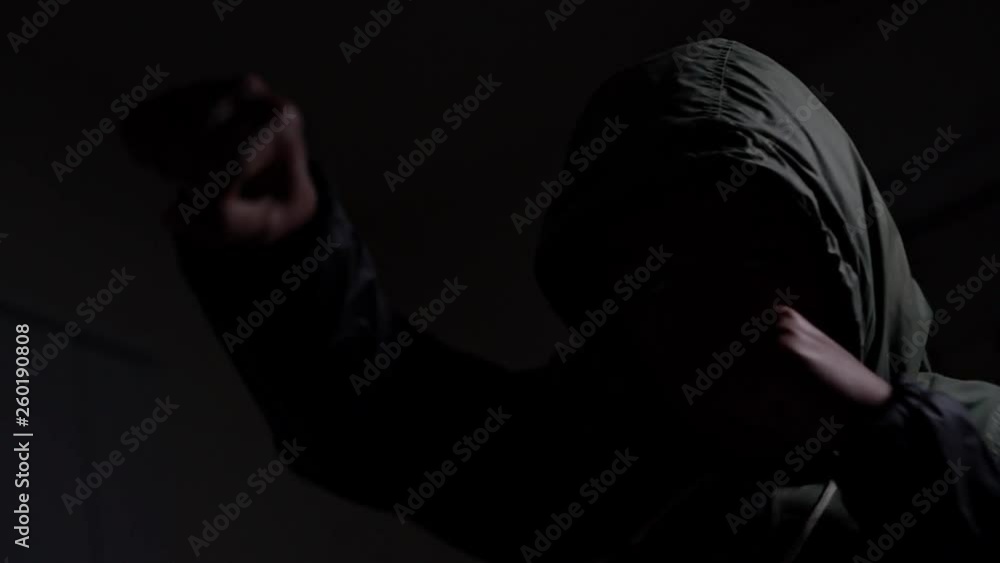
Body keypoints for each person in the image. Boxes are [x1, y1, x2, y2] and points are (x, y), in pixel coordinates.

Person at [125, 39, 1000, 562]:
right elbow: (380, 416)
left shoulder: (982, 435)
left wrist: (892, 436)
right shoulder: (605, 474)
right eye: (658, 271)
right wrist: (283, 250)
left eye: (764, 253)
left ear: (844, 259)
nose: (723, 317)